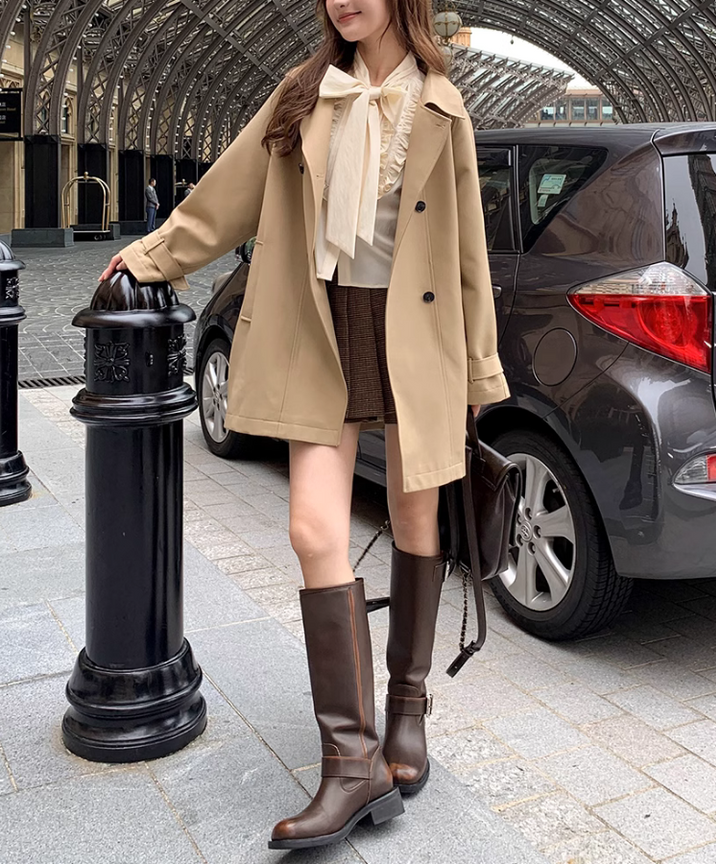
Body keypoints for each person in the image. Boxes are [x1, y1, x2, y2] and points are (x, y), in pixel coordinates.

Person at [99, 0, 509, 850]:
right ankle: (352, 763)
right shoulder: (303, 91)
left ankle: (406, 711)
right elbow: (229, 192)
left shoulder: (442, 103)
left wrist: (479, 370)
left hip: (418, 335)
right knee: (312, 528)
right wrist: (151, 256)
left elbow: (469, 251)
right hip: (321, 328)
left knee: (416, 516)